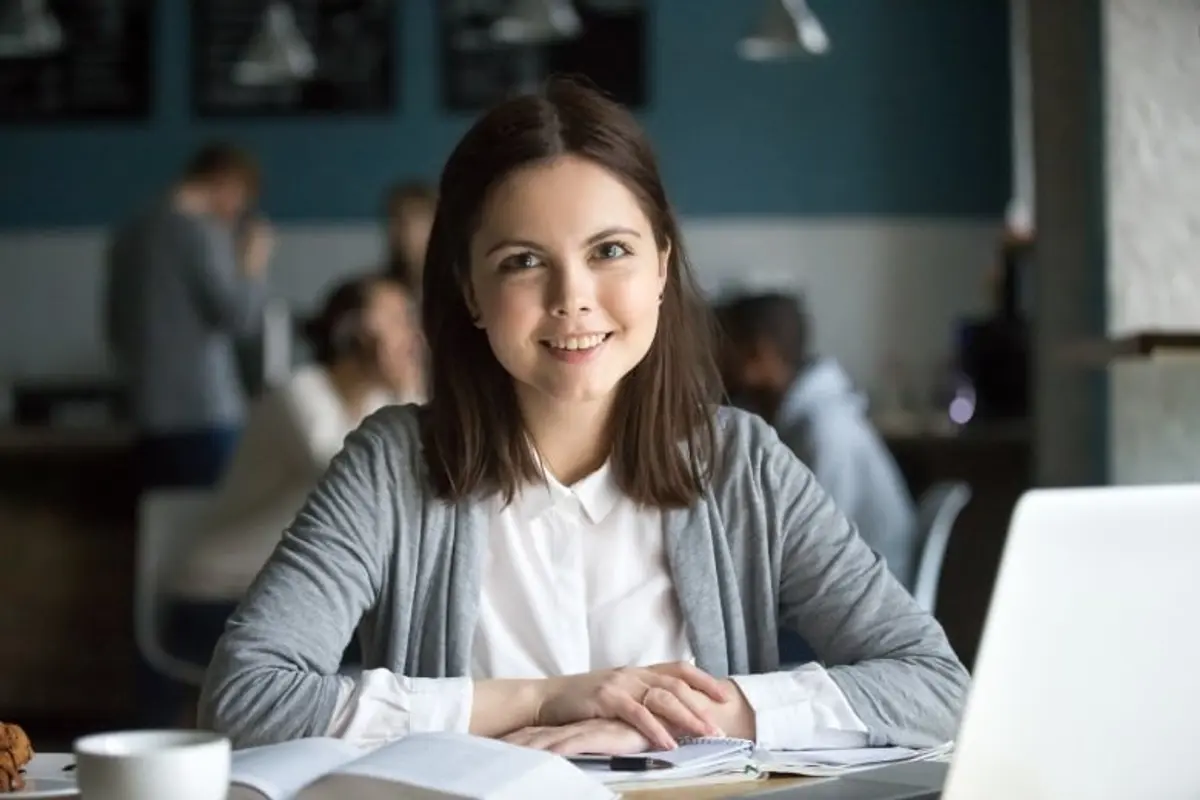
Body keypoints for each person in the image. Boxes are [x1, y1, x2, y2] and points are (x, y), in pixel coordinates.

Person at [201, 79, 967, 756]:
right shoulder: (391, 465)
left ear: (662, 267)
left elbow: (936, 686)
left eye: (610, 250)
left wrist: (703, 716)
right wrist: (536, 699)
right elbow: (244, 697)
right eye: (523, 261)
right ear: (469, 289)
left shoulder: (744, 463)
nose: (573, 298)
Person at [166, 273, 425, 658]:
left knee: (413, 635)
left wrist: (406, 393)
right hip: (219, 596)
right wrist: (407, 394)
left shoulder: (377, 407)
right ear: (352, 332)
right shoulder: (297, 394)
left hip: (291, 596)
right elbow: (348, 481)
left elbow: (419, 477)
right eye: (396, 319)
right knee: (395, 647)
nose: (412, 336)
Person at [717, 292, 920, 588]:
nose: (712, 360)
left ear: (760, 354)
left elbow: (811, 552)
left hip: (858, 605)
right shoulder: (788, 421)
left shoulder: (825, 432)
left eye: (722, 348)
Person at [105, 141, 274, 489]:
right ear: (227, 183)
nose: (238, 213)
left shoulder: (130, 233)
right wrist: (253, 263)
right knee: (211, 533)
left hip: (146, 410)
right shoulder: (202, 233)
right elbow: (241, 319)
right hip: (205, 412)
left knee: (160, 531)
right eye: (241, 200)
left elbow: (113, 324)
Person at [380, 180, 437, 295]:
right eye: (399, 223)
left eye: (418, 222)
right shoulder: (381, 292)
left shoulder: (460, 290)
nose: (407, 234)